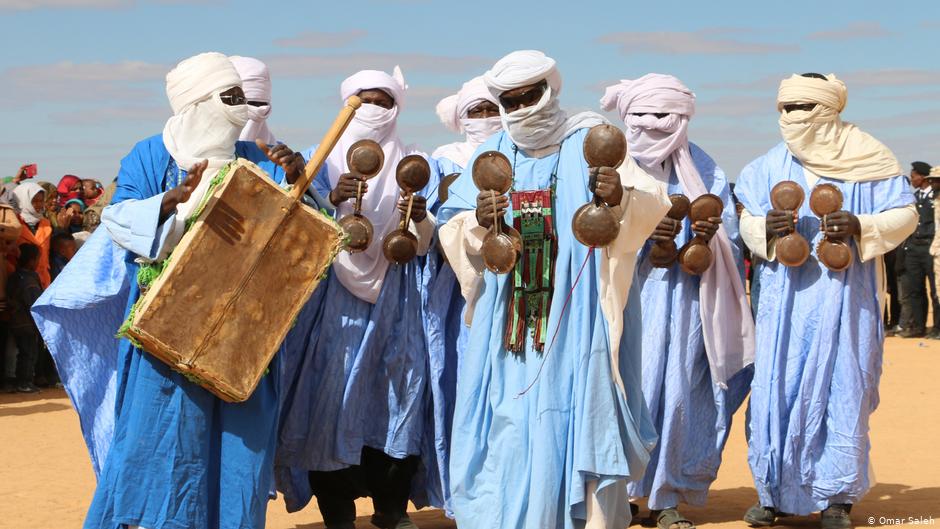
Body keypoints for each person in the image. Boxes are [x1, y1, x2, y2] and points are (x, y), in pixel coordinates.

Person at [33, 51, 306, 529]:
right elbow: (118, 220)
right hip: (166, 331)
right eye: (232, 96)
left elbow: (302, 242)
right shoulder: (150, 155)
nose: (244, 108)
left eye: (244, 95)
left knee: (241, 454)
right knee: (157, 443)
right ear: (199, 101)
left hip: (243, 336)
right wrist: (169, 205)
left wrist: (299, 182)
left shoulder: (255, 157)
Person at [438, 50, 671, 529]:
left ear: (550, 89)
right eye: (511, 99)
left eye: (530, 95)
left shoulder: (591, 140)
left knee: (579, 416)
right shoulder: (493, 155)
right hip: (507, 323)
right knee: (507, 425)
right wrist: (478, 225)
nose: (522, 106)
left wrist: (618, 198)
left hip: (579, 316)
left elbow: (653, 205)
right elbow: (452, 227)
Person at [735, 73, 916, 529]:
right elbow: (747, 222)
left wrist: (860, 226)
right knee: (776, 388)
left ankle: (836, 498)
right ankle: (771, 492)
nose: (793, 117)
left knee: (843, 389)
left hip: (846, 301)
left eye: (804, 107)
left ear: (830, 109)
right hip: (784, 305)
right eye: (786, 108)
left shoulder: (870, 158)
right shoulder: (765, 168)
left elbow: (905, 213)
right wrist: (766, 231)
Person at [275, 66, 438, 529]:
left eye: (383, 101)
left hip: (398, 295)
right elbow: (292, 229)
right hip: (331, 301)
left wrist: (420, 219)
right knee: (331, 398)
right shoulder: (319, 159)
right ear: (346, 104)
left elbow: (429, 241)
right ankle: (337, 511)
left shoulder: (417, 162)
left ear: (397, 108)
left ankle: (391, 507)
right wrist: (326, 199)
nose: (373, 110)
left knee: (397, 393)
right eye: (362, 100)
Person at [600, 74, 755, 529]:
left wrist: (704, 239)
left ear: (683, 118)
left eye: (662, 116)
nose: (651, 125)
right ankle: (620, 493)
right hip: (622, 295)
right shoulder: (612, 169)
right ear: (626, 117)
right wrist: (643, 238)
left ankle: (666, 494)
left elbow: (727, 235)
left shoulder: (705, 170)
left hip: (687, 303)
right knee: (625, 387)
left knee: (679, 389)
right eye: (641, 117)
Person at [420, 74, 502, 514]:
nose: (486, 118)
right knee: (462, 390)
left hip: (516, 285)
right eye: (477, 111)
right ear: (461, 117)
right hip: (457, 294)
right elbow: (435, 226)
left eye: (493, 109)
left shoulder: (521, 155)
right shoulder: (443, 160)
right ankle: (465, 498)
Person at [898, 161, 938, 338]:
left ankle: (937, 327)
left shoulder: (935, 199)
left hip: (931, 247)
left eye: (914, 176)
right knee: (915, 289)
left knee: (935, 290)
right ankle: (918, 327)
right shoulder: (913, 198)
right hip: (914, 248)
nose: (912, 179)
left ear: (923, 178)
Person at [6, 243, 44, 393]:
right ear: (31, 261)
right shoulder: (29, 281)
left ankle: (21, 381)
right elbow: (33, 303)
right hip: (26, 323)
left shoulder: (15, 276)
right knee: (29, 353)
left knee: (24, 352)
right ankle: (24, 382)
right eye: (38, 259)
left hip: (16, 321)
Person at [10, 182, 53, 288]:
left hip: (43, 281)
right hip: (21, 283)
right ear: (23, 201)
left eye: (41, 201)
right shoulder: (13, 225)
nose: (39, 205)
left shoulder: (46, 224)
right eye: (34, 201)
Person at [230, 55, 277, 145]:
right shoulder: (206, 150)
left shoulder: (278, 153)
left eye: (262, 104)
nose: (259, 109)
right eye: (250, 103)